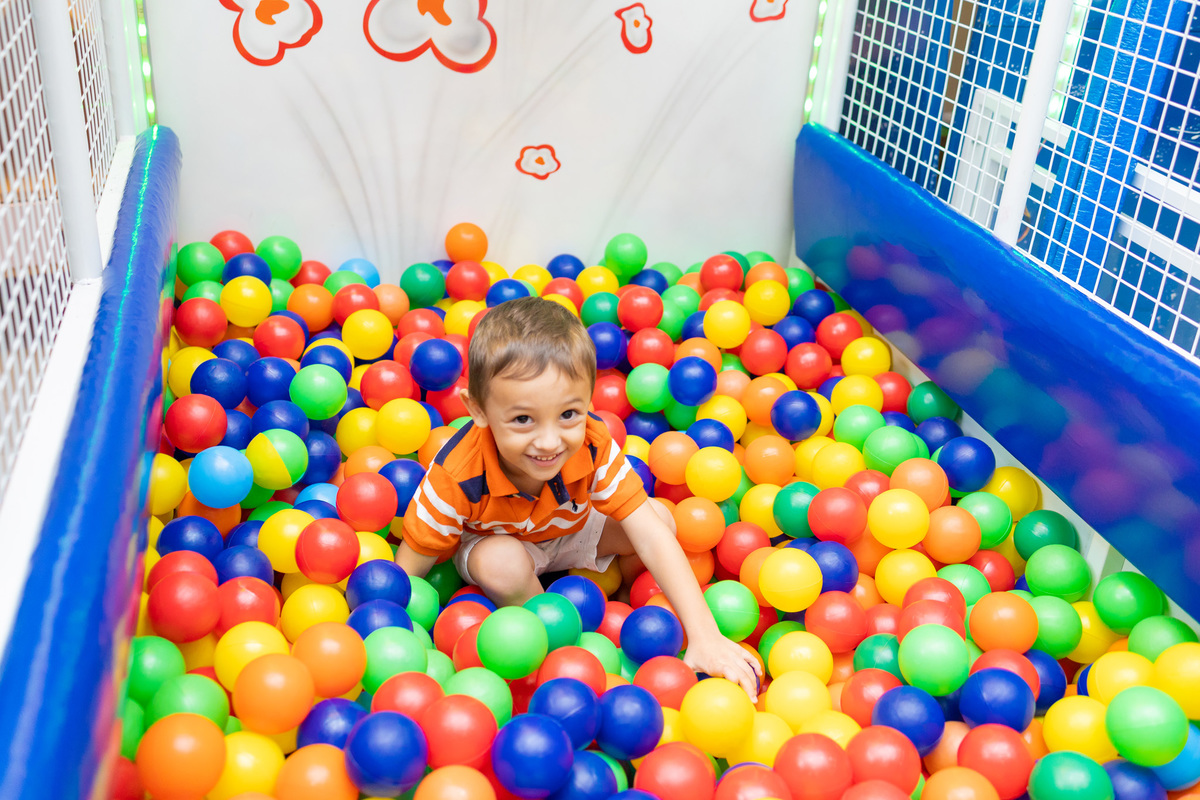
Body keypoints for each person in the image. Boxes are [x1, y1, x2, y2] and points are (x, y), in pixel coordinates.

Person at [395, 295, 761, 697]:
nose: (549, 442)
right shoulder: (456, 474)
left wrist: (705, 635)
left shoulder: (591, 442)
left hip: (567, 532)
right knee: (501, 562)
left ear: (589, 399)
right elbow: (406, 574)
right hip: (497, 544)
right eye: (522, 419)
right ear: (478, 410)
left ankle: (624, 595)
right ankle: (557, 648)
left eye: (568, 414)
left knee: (661, 518)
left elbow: (651, 533)